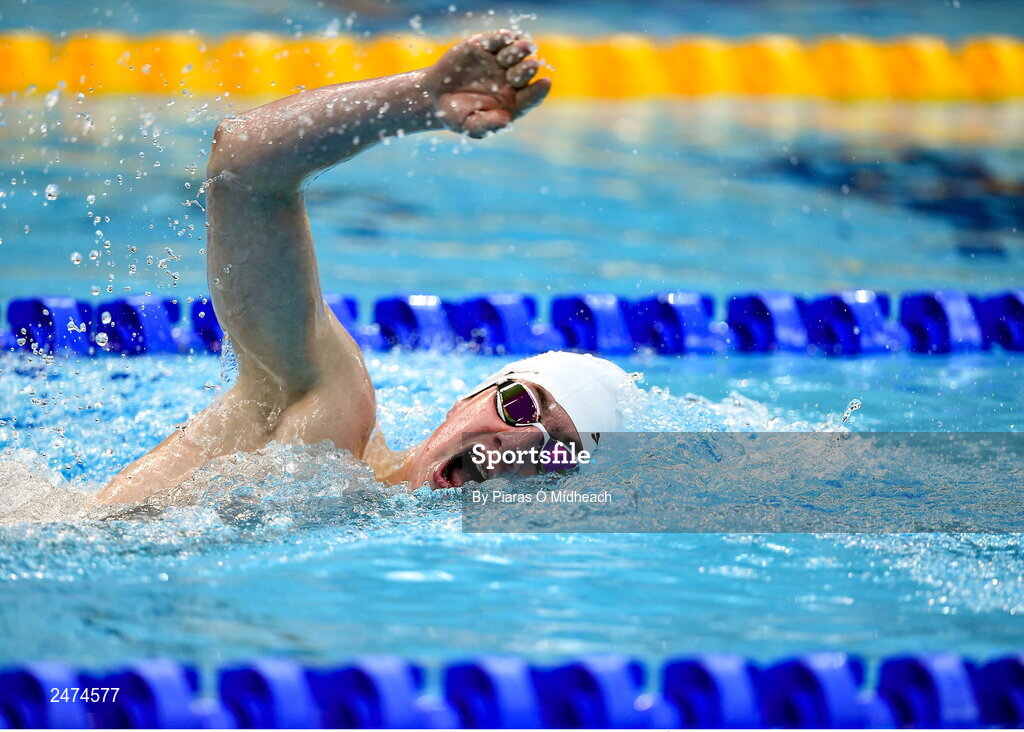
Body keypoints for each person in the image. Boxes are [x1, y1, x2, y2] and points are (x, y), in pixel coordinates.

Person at [97, 30, 637, 504]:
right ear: (464, 401)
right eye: (519, 405)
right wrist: (421, 100)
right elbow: (243, 162)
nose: (520, 443)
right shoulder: (330, 411)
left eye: (558, 454)